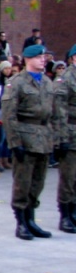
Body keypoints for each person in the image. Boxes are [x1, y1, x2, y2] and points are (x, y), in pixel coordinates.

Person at [3, 44, 58, 239]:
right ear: (28, 59)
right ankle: (21, 222)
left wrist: (56, 139)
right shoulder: (16, 82)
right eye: (39, 57)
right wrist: (14, 142)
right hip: (25, 136)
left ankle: (31, 218)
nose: (43, 59)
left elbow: (54, 114)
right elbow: (9, 115)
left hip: (44, 137)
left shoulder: (47, 82)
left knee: (38, 182)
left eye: (44, 56)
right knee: (23, 182)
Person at [54, 45, 76, 233]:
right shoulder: (66, 78)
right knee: (69, 177)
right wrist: (61, 138)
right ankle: (65, 215)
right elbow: (59, 110)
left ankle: (74, 212)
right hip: (70, 131)